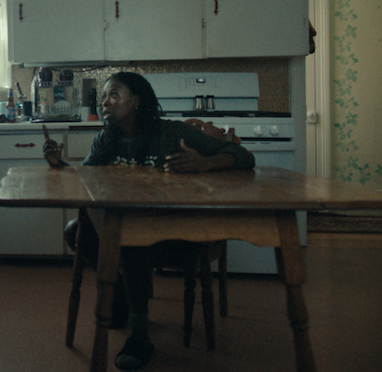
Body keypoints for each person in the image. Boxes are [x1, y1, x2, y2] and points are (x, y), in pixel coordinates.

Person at [43, 71, 255, 370]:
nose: (104, 102)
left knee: (130, 238)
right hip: (128, 227)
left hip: (177, 227)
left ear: (137, 101)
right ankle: (120, 291)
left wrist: (204, 163)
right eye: (103, 96)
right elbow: (87, 179)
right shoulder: (107, 138)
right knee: (77, 232)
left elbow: (242, 155)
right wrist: (59, 165)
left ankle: (140, 335)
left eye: (113, 94)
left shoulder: (171, 133)